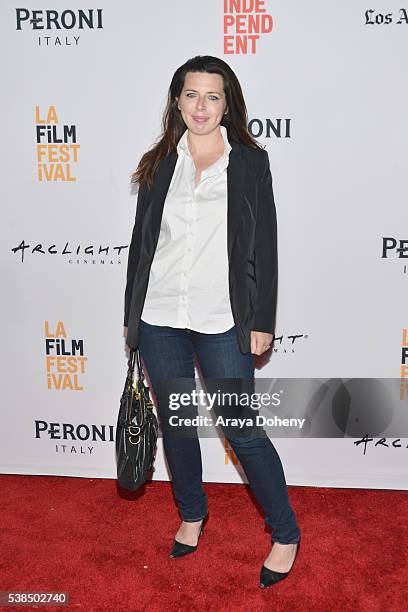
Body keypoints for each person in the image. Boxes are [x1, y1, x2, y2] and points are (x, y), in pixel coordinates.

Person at [123, 55, 301, 588]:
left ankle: (286, 533)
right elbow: (143, 246)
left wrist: (262, 318)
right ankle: (193, 512)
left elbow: (264, 248)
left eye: (213, 96)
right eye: (191, 95)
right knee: (177, 424)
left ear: (228, 103)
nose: (201, 107)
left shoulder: (248, 161)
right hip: (159, 314)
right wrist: (132, 317)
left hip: (222, 315)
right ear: (177, 100)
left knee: (241, 429)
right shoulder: (159, 161)